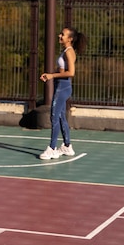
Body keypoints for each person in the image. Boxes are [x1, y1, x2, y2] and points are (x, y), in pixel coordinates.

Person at [39, 27, 87, 160]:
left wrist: (52, 75)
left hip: (63, 88)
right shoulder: (65, 51)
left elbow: (71, 73)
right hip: (60, 86)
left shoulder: (69, 52)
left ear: (70, 39)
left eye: (63, 34)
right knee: (60, 117)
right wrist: (52, 74)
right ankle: (67, 146)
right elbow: (63, 69)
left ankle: (52, 148)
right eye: (60, 33)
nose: (59, 35)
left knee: (54, 117)